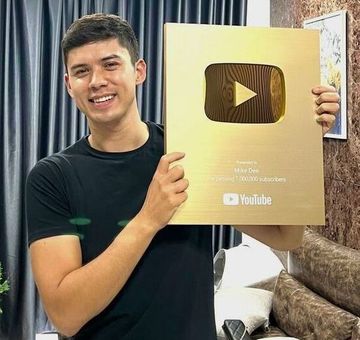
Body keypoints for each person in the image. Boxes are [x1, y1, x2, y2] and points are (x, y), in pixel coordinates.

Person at [26, 13, 340, 340]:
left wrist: (300, 136)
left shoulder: (189, 152)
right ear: (68, 85)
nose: (96, 81)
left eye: (110, 64)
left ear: (139, 71)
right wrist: (149, 218)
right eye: (81, 71)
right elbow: (66, 316)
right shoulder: (51, 178)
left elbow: (284, 236)